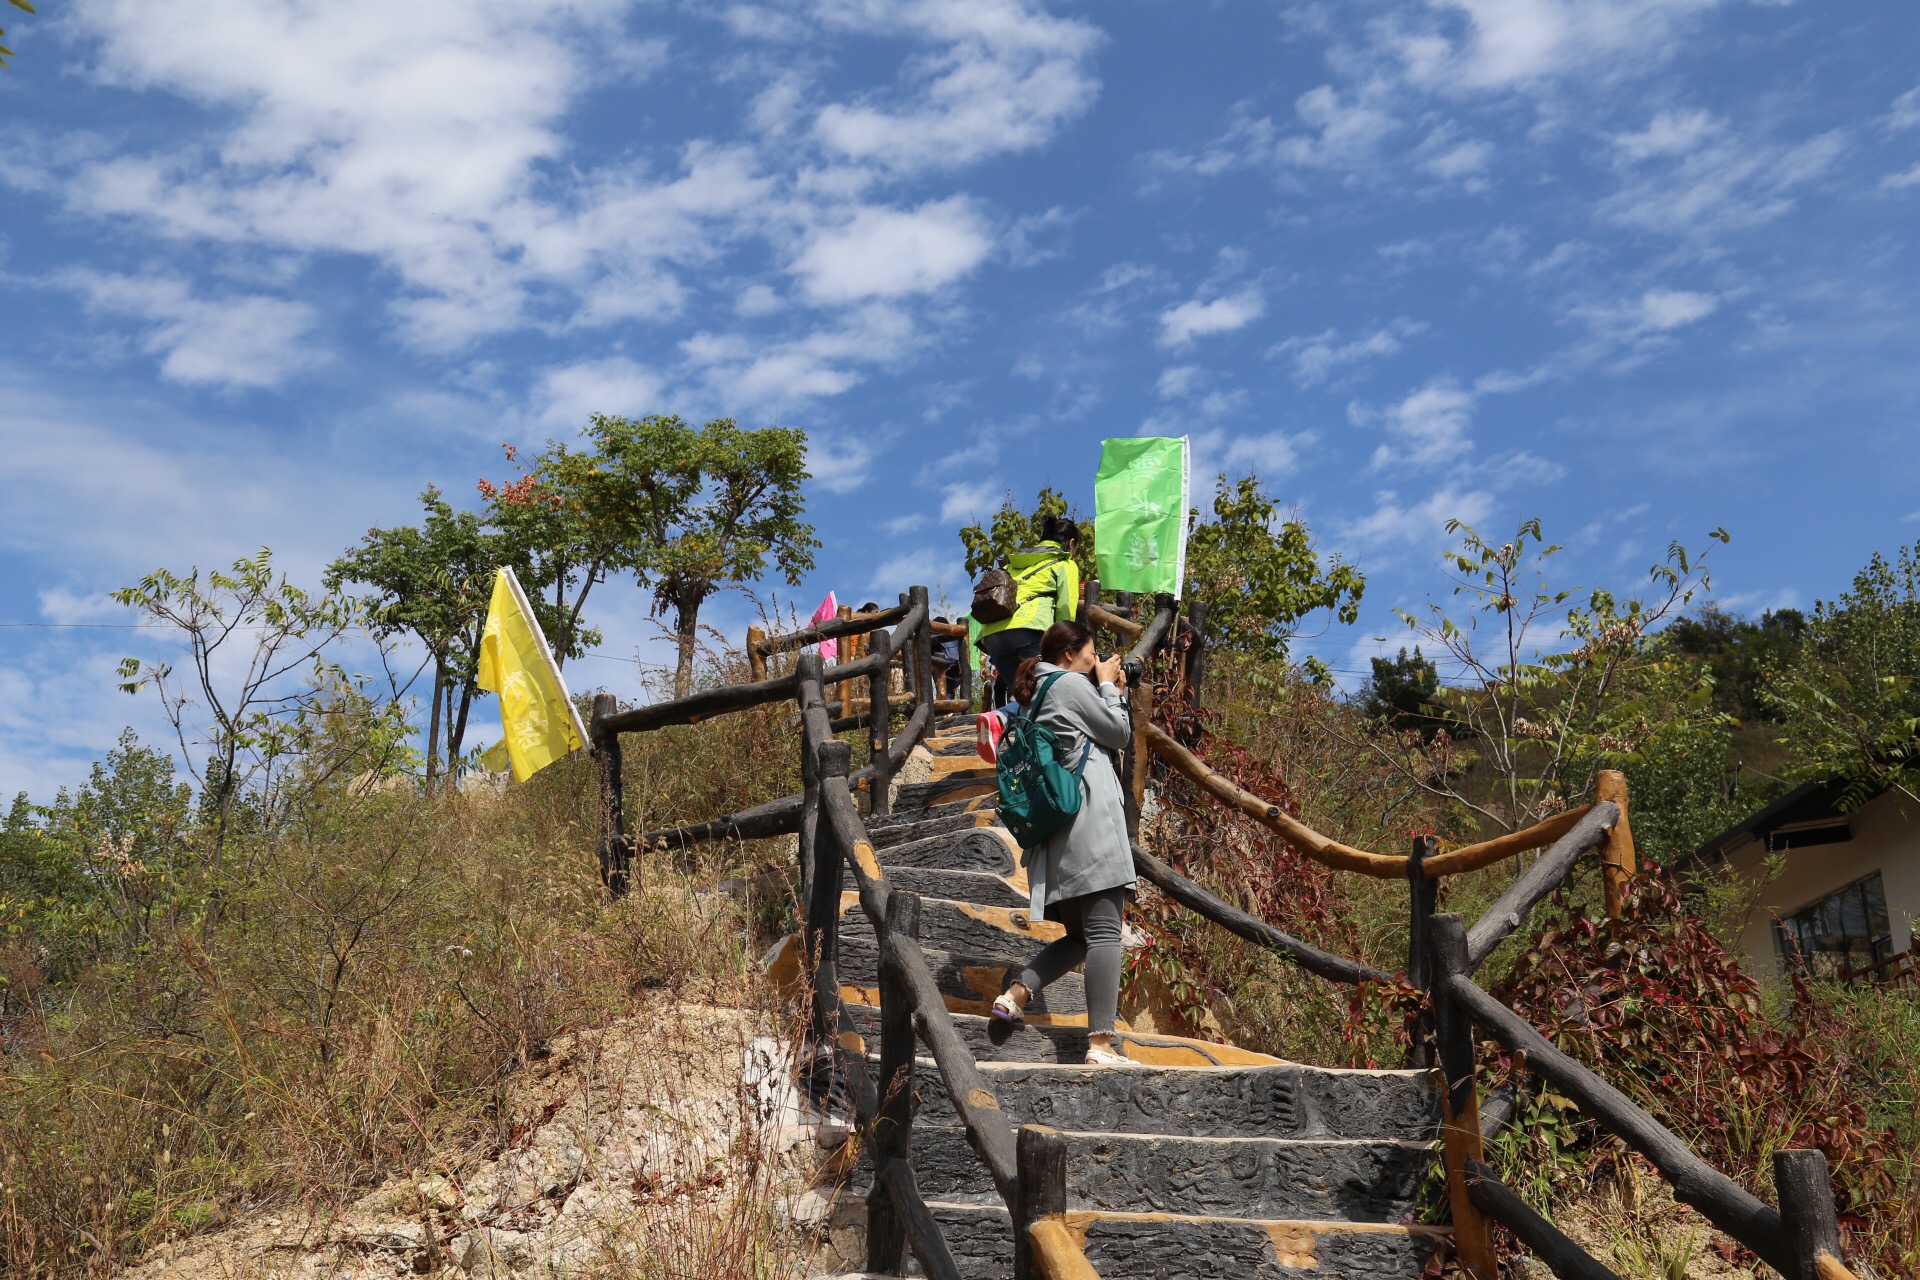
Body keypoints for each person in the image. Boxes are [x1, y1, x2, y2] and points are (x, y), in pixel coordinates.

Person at [990, 619, 1134, 1066]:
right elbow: (1118, 733)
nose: (1097, 665)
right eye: (1092, 656)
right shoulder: (1070, 684)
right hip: (1089, 827)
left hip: (1059, 835)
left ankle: (1016, 994)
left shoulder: (1035, 695)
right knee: (1107, 931)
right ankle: (1101, 1044)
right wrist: (1109, 687)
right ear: (1069, 655)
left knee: (1080, 936)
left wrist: (1106, 686)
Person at [976, 515, 1082, 708]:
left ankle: (1002, 723)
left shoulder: (1014, 564)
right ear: (1071, 543)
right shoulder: (1064, 563)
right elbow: (1065, 608)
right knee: (1051, 692)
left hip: (992, 636)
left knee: (1024, 695)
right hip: (1029, 631)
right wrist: (1064, 643)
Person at [931, 616, 963, 699]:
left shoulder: (934, 636)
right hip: (958, 668)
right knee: (950, 693)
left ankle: (946, 711)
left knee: (944, 693)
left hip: (943, 667)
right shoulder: (955, 635)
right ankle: (950, 710)